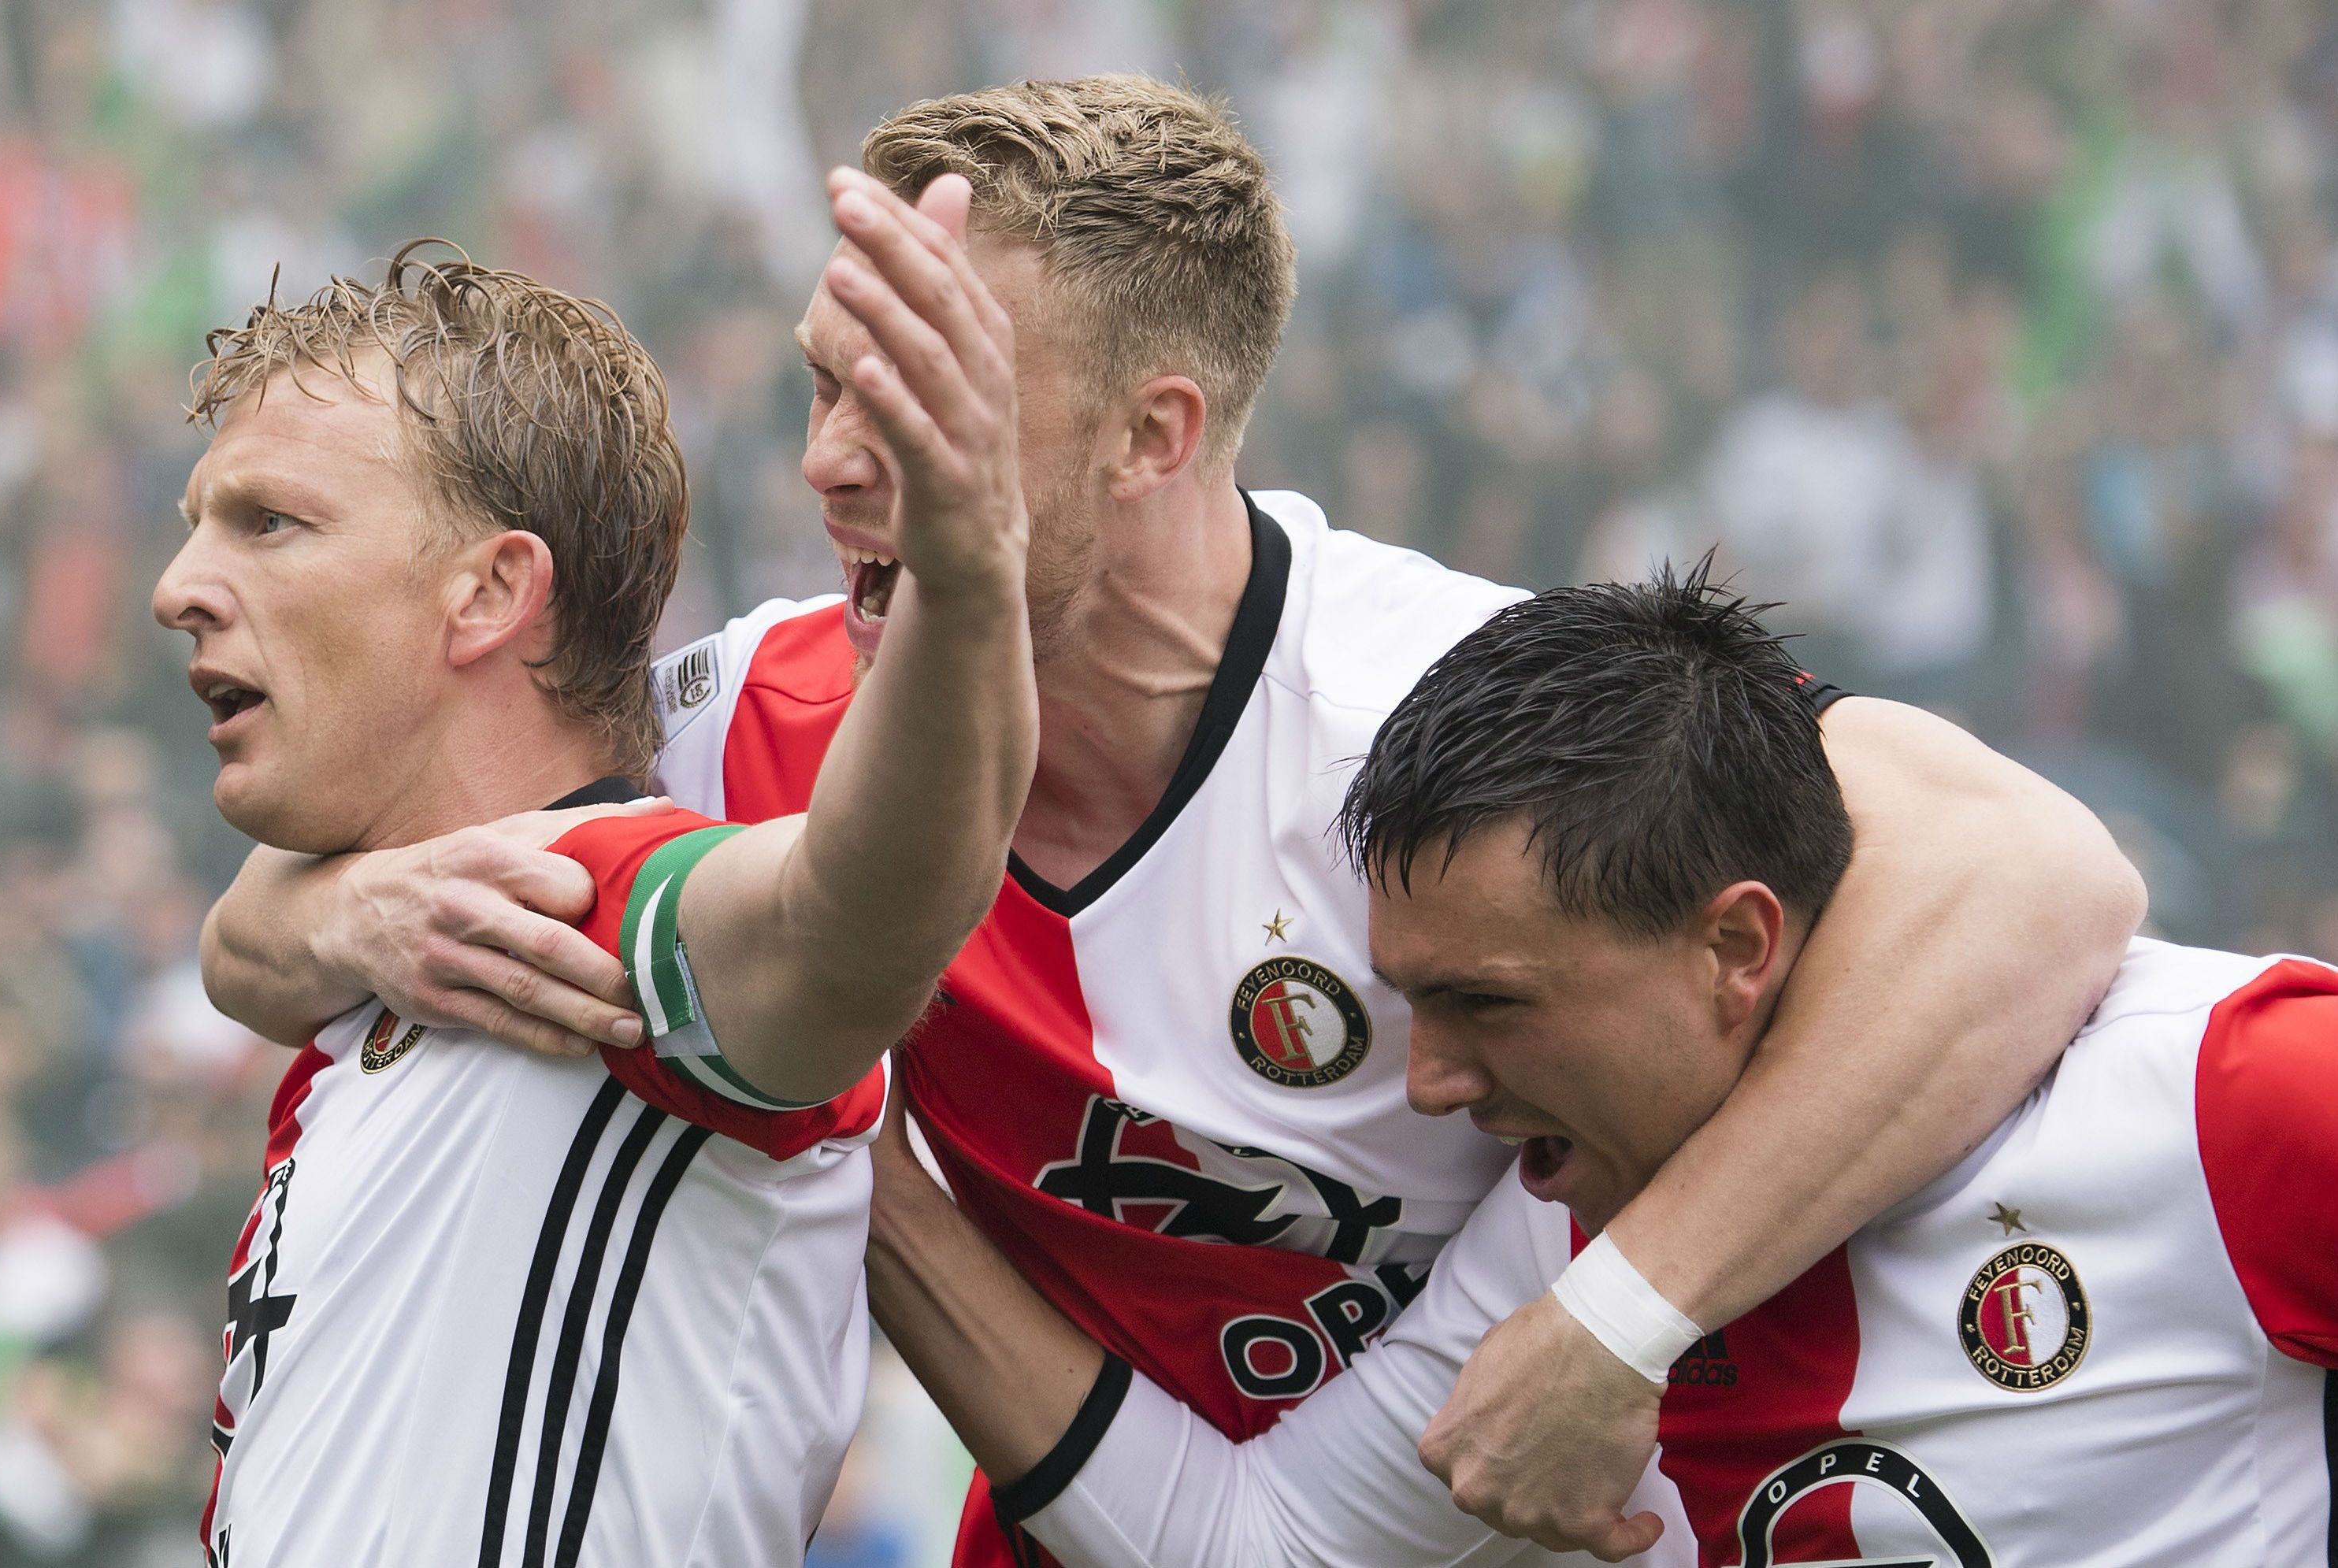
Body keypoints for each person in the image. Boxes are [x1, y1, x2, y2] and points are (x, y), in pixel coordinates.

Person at [195, 76, 2147, 1563]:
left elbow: (2031, 871)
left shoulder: (1433, 712)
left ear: (1155, 435)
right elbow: (380, 844)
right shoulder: (768, 722)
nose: (831, 465)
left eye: (928, 398)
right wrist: (330, 931)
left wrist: (1617, 1320)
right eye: (822, 388)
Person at [881, 563, 2338, 1568]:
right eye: (1407, 1006)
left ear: (1733, 949)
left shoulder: (2214, 1101)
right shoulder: (1560, 1265)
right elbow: (1257, 1549)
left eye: (1485, 1006)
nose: (1431, 1082)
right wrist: (855, 1160)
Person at [156, 189, 1035, 1568]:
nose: (179, 586)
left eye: (269, 523)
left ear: (490, 594)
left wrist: (967, 576)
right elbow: (242, 950)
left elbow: (853, 920)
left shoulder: (598, 904)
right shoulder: (377, 979)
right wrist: (333, 913)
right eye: (202, 522)